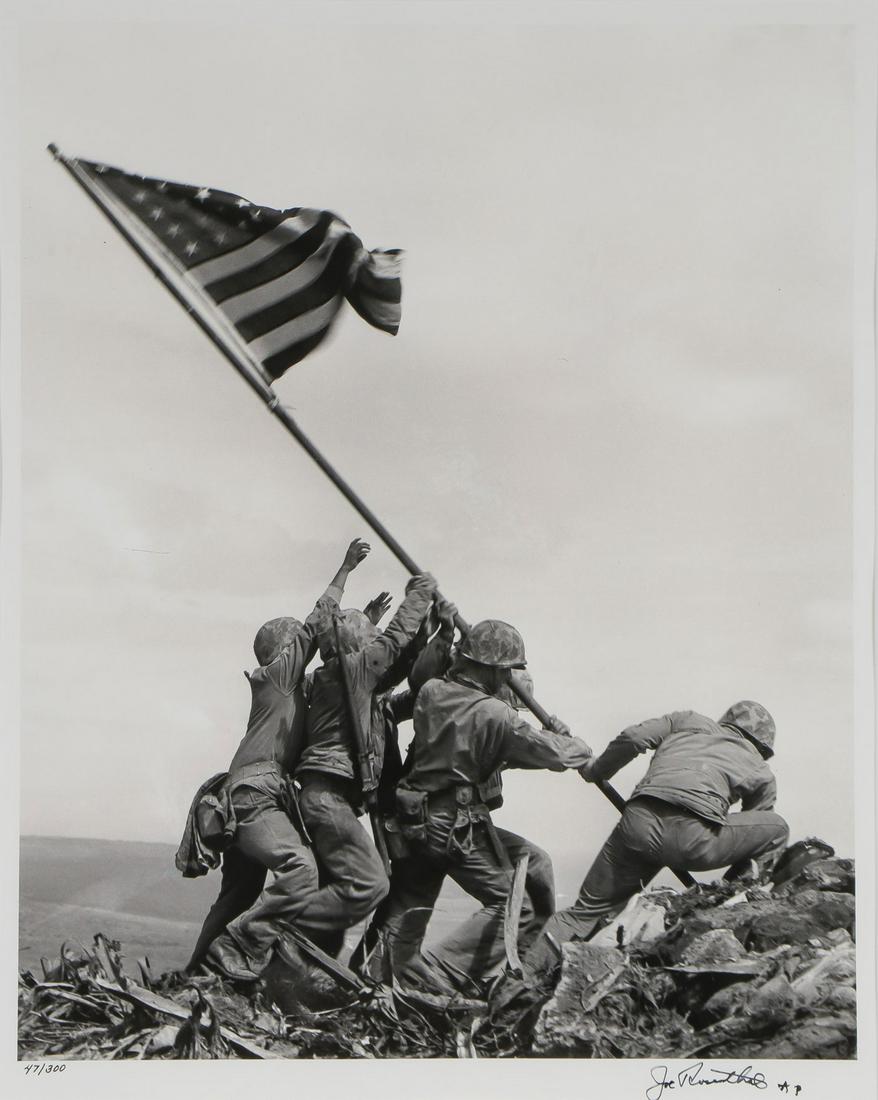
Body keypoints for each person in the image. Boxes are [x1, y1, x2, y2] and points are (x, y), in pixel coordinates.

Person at [373, 620, 594, 992]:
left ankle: (377, 975)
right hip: (453, 825)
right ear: (491, 668)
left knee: (412, 906)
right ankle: (440, 974)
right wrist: (572, 741)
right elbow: (556, 755)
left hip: (416, 820)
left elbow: (498, 749)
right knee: (516, 905)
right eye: (506, 669)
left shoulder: (433, 692)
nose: (508, 677)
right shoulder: (496, 715)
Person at [189, 538, 371, 980]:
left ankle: (197, 973)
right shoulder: (275, 678)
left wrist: (366, 626)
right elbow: (315, 627)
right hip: (256, 797)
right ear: (284, 650)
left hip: (247, 796)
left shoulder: (287, 691)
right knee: (301, 869)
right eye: (298, 646)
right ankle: (239, 953)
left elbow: (338, 664)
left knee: (237, 895)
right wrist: (344, 570)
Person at [523, 700, 790, 978]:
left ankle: (521, 977)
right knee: (777, 828)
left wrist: (597, 771)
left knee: (583, 913)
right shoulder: (761, 770)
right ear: (762, 746)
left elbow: (633, 738)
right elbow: (755, 830)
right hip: (694, 840)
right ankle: (733, 903)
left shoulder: (687, 720)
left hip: (637, 825)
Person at [293, 571, 440, 954]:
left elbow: (409, 686)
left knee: (336, 904)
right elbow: (393, 643)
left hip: (329, 798)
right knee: (371, 884)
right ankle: (273, 927)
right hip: (327, 798)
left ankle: (302, 965)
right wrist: (420, 594)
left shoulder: (352, 689)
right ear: (358, 649)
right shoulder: (350, 673)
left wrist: (435, 634)